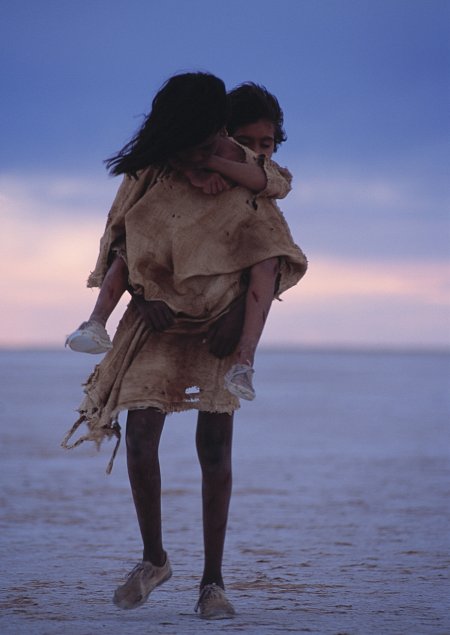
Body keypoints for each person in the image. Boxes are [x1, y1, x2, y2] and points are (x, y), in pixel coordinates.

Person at [62, 72, 307, 619]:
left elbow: (262, 246)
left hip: (221, 324)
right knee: (142, 435)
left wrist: (239, 314)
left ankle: (213, 584)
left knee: (215, 448)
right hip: (156, 319)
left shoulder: (245, 176)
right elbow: (125, 237)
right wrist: (140, 299)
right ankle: (154, 560)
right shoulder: (151, 173)